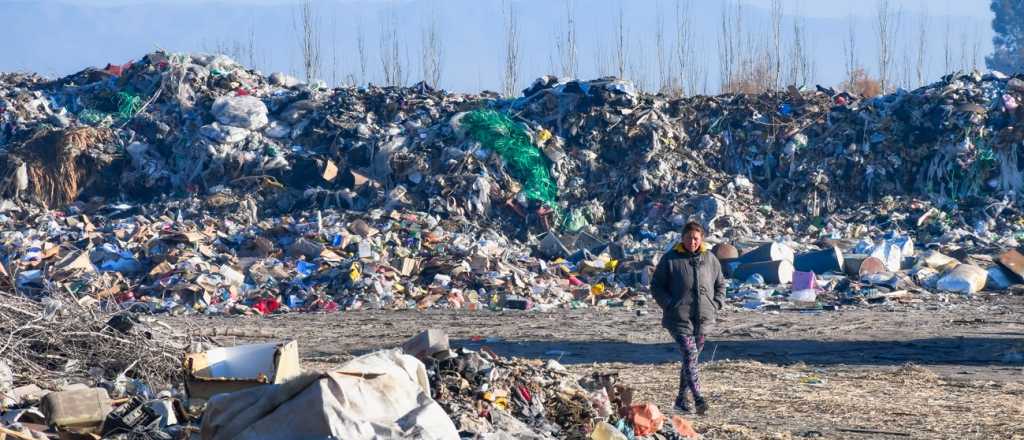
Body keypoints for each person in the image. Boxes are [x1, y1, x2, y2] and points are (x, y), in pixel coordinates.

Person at [650, 221, 726, 414]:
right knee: (690, 355)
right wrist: (669, 304)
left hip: (704, 318)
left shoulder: (710, 259)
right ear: (682, 238)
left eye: (696, 238)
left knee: (690, 359)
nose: (692, 241)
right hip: (679, 318)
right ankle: (699, 398)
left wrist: (717, 303)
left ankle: (681, 400)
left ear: (702, 239)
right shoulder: (670, 259)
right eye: (688, 238)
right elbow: (656, 286)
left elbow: (720, 284)